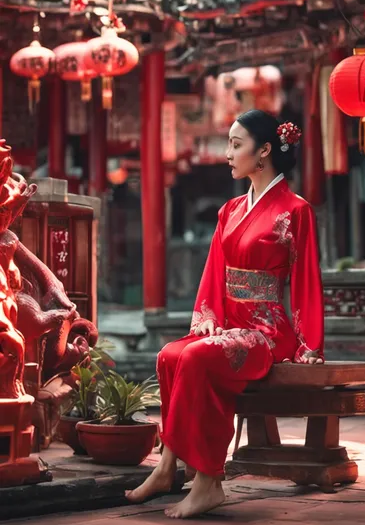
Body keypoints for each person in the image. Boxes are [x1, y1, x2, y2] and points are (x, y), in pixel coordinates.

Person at [126, 109, 325, 518]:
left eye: (236, 145)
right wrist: (208, 316)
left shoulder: (295, 210)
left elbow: (306, 280)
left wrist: (309, 344)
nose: (227, 153)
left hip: (266, 331)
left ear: (265, 150)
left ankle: (208, 481)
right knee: (170, 354)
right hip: (229, 325)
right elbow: (214, 271)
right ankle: (167, 466)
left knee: (198, 357)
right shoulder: (230, 209)